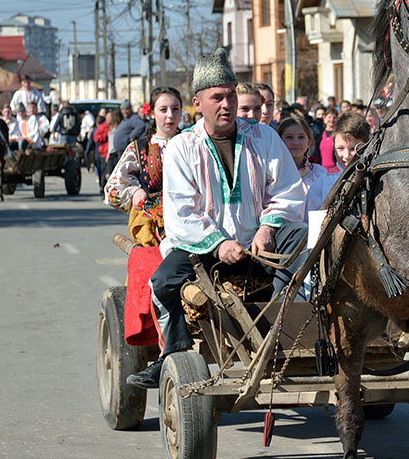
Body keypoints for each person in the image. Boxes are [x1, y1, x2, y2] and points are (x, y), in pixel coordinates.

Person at [128, 48, 306, 390]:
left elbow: (287, 190)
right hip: (202, 249)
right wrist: (219, 243)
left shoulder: (263, 137)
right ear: (198, 103)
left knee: (300, 235)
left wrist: (269, 226)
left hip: (259, 246)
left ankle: (282, 322)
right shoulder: (183, 146)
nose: (226, 104)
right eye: (216, 98)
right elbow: (181, 212)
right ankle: (174, 354)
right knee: (162, 282)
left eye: (230, 96)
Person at [105, 87, 183, 246]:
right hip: (154, 232)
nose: (170, 115)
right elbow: (111, 190)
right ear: (152, 113)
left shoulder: (193, 144)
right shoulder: (139, 148)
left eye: (175, 109)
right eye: (163, 109)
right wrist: (134, 191)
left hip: (190, 225)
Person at [276, 116, 328, 223]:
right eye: (289, 137)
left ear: (309, 142)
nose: (296, 142)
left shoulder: (320, 174)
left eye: (301, 137)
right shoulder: (272, 174)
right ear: (279, 141)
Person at [92, 114, 110, 195]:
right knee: (104, 172)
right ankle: (103, 189)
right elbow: (96, 138)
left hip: (108, 152)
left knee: (106, 172)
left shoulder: (110, 126)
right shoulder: (103, 127)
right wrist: (105, 136)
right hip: (104, 152)